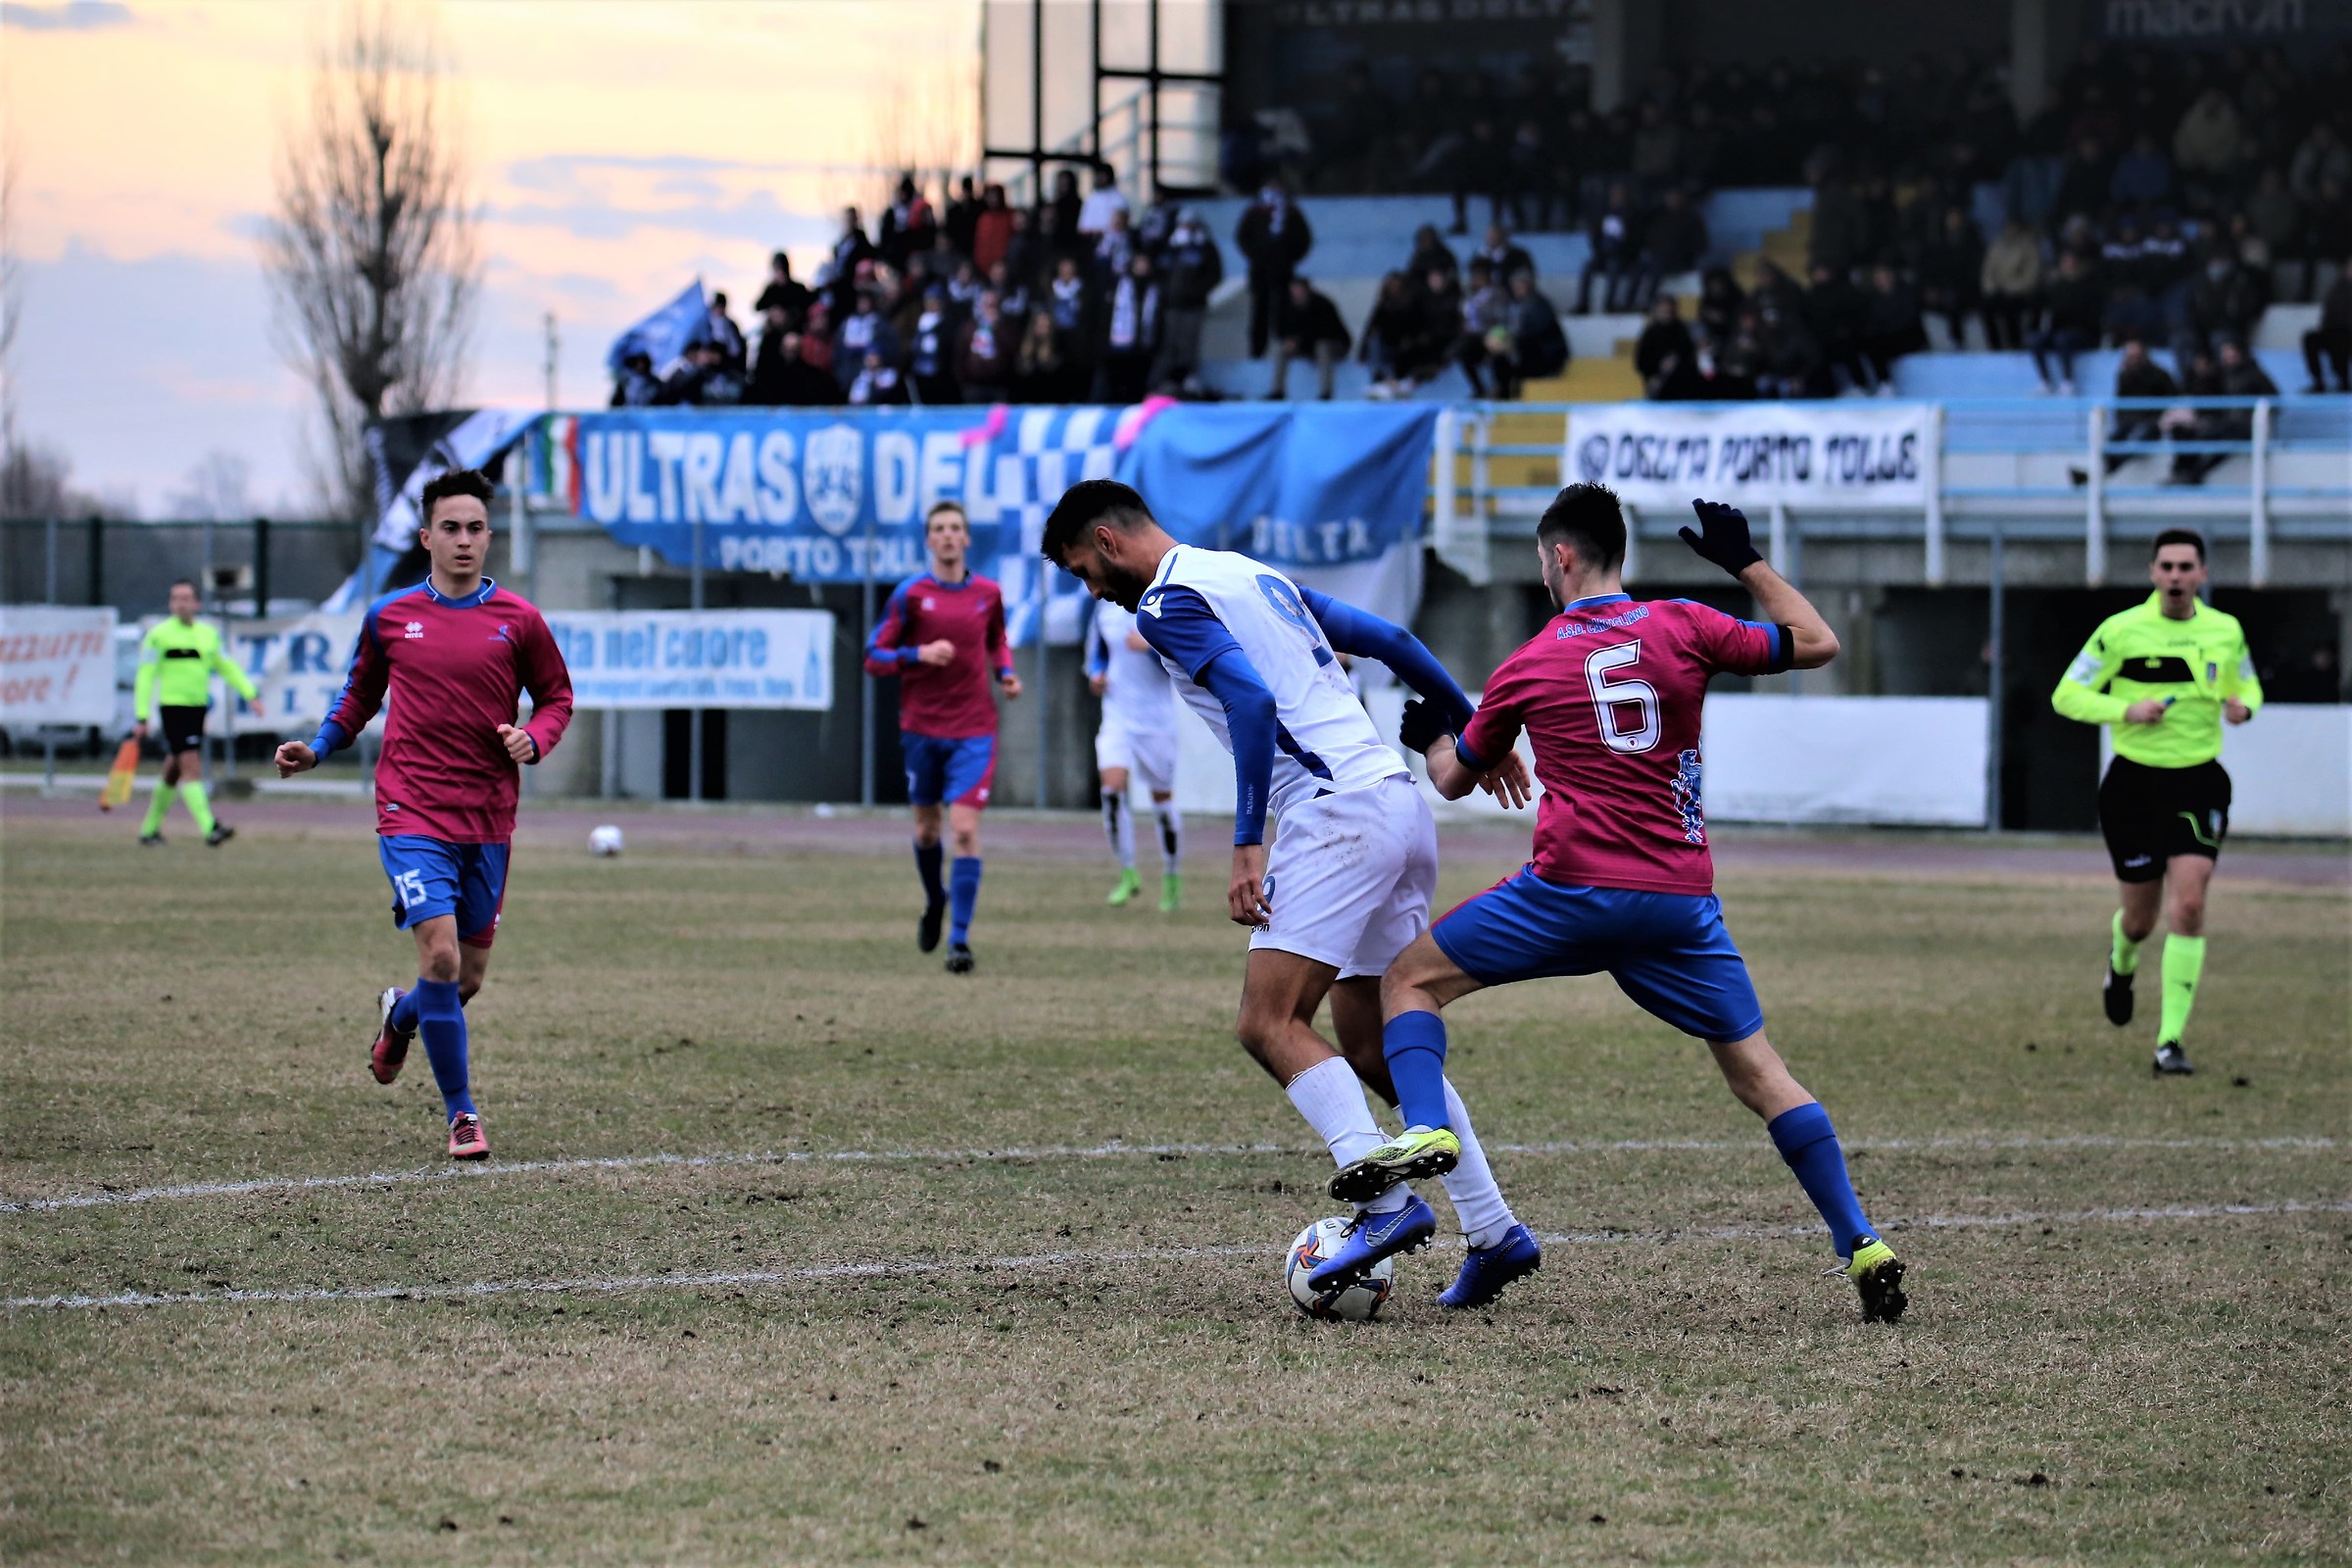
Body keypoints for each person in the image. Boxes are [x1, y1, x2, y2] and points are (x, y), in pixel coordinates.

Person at [1360, 485, 1909, 1324]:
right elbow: (1818, 641)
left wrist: (1433, 732)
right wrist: (1744, 560)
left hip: (1570, 891)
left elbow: (1453, 780)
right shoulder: (1686, 624)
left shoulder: (1530, 660)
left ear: (1562, 557)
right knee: (1761, 1073)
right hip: (1679, 902)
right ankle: (1862, 1242)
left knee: (1408, 981)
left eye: (1545, 561)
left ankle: (1429, 1128)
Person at [1040, 478, 1544, 1310]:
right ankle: (1494, 1233)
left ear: (1106, 540)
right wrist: (1476, 731)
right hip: (1394, 802)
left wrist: (1246, 843)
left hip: (1333, 817)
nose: (1091, 589)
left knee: (1267, 1022)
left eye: (1082, 571)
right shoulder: (1252, 576)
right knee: (1374, 1043)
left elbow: (1249, 698)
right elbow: (1391, 638)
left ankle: (1386, 1208)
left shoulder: (1163, 604)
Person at [273, 468, 574, 1161]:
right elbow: (358, 697)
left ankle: (399, 1018)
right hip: (411, 810)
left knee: (462, 979)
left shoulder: (520, 621)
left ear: (488, 537)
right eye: (451, 528)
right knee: (437, 954)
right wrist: (318, 748)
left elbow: (557, 697)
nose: (464, 540)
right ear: (426, 537)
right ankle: (462, 1115)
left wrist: (536, 737)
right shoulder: (389, 616)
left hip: (489, 817)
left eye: (475, 528)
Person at [2053, 529, 2262, 1076]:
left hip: (2199, 781)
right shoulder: (2120, 631)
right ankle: (2121, 963)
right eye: (2165, 566)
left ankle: (2170, 1041)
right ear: (2152, 572)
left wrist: (2245, 707)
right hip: (2133, 786)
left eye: (2185, 566)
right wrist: (2126, 711)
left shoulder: (2226, 630)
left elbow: (2249, 686)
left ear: (2202, 575)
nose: (2175, 576)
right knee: (2141, 921)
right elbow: (2067, 695)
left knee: (2188, 906)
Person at [863, 503, 1021, 974]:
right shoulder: (911, 595)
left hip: (974, 729)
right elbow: (874, 656)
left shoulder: (988, 593)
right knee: (927, 830)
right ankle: (936, 899)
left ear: (967, 539)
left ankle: (959, 940)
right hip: (921, 729)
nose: (948, 536)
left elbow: (996, 639)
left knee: (966, 831)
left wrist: (1006, 673)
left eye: (955, 528)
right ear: (929, 541)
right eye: (939, 529)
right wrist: (918, 653)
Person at [131, 578, 257, 847]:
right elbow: (145, 675)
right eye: (176, 598)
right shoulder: (159, 635)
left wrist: (250, 693)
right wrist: (141, 715)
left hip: (197, 709)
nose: (181, 603)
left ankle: (149, 830)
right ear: (170, 603)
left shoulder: (207, 634)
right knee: (190, 764)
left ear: (197, 603)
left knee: (173, 770)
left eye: (186, 598)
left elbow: (226, 666)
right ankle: (210, 828)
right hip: (173, 709)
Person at [1085, 597, 1182, 911]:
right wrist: (1096, 675)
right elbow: (1098, 654)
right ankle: (1128, 872)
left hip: (1156, 722)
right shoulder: (1103, 608)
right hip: (1117, 715)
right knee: (1111, 791)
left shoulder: (1161, 605)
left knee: (1162, 801)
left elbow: (1184, 657)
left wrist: (1152, 648)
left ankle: (1171, 877)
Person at [1235, 181, 1312, 359]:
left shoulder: (1292, 212)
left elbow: (1304, 240)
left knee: (1284, 312)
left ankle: (1285, 351)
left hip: (1283, 272)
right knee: (1259, 312)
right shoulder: (1254, 212)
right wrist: (1257, 255)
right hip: (1260, 272)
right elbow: (1242, 237)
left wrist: (1288, 258)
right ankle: (1257, 352)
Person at [1270, 274, 1350, 400]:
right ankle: (1277, 391)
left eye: (1299, 290)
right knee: (1281, 349)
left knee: (1322, 347)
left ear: (1307, 290)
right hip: (1305, 346)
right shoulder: (1287, 306)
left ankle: (1326, 392)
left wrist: (1299, 341)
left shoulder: (1323, 305)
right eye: (1293, 291)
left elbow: (1326, 332)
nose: (1296, 294)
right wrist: (1288, 340)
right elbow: (1280, 329)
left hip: (1334, 344)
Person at [2301, 256, 2351, 393]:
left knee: (2341, 338)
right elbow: (2331, 312)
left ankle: (2344, 382)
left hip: (2345, 333)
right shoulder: (2339, 286)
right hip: (2334, 331)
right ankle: (2318, 382)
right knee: (2311, 339)